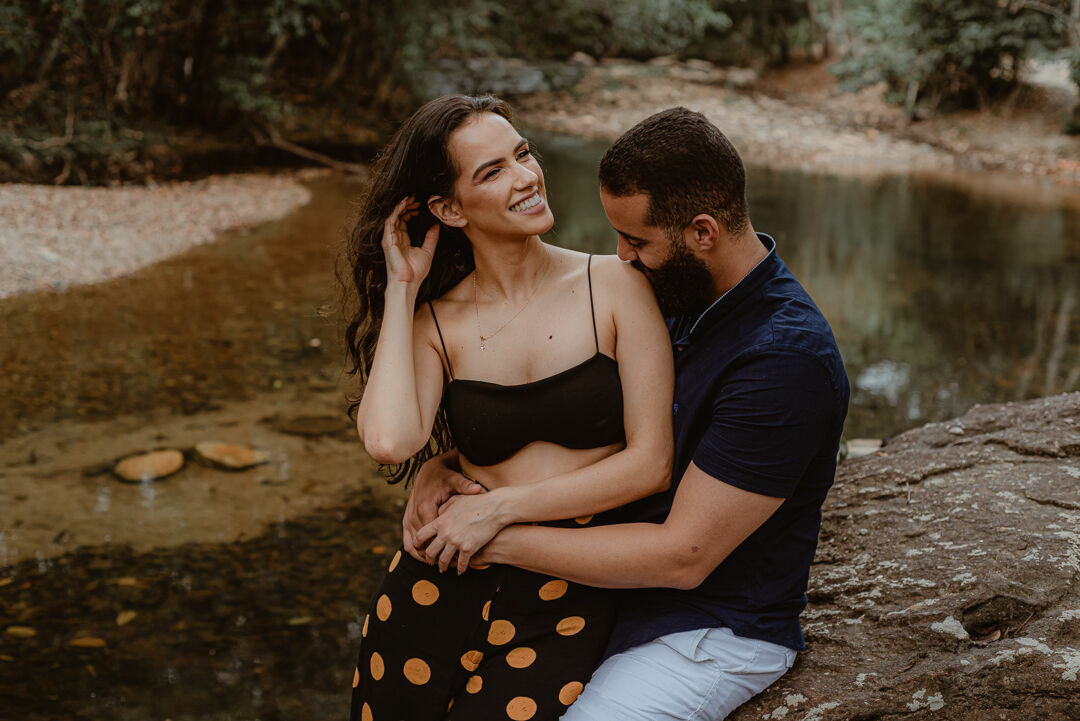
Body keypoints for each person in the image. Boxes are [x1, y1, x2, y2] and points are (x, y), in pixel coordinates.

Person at [409, 107, 851, 720]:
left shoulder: (785, 359)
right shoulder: (677, 290)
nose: (621, 256)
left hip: (704, 632)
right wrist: (446, 467)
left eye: (637, 241)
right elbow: (577, 420)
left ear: (703, 232)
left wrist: (491, 532)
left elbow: (684, 557)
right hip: (607, 596)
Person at [341, 94, 674, 721]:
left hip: (566, 590)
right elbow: (389, 441)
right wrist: (403, 290)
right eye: (493, 171)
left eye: (522, 154)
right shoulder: (436, 323)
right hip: (436, 581)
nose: (526, 177)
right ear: (448, 209)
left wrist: (498, 511)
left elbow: (650, 463)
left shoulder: (614, 286)